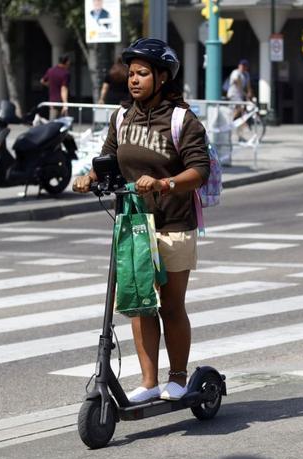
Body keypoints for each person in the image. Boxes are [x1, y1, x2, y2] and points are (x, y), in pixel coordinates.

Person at [72, 38, 210, 402]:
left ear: (162, 77)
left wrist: (166, 183)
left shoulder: (182, 120)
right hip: (134, 224)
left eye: (143, 74)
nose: (134, 80)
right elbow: (108, 160)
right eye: (131, 74)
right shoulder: (122, 116)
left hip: (173, 224)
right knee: (139, 301)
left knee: (170, 305)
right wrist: (91, 177)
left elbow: (199, 171)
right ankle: (148, 383)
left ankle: (177, 377)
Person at [226, 59, 253, 139]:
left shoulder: (246, 74)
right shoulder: (236, 73)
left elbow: (248, 85)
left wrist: (249, 93)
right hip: (233, 94)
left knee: (241, 112)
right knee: (241, 108)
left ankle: (240, 134)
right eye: (241, 65)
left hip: (240, 96)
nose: (243, 67)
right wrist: (244, 92)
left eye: (244, 66)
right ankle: (230, 121)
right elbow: (236, 81)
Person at [40, 55, 71, 120]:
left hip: (52, 100)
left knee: (53, 119)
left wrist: (50, 85)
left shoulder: (50, 70)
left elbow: (42, 81)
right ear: (67, 62)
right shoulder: (65, 73)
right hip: (61, 101)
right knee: (64, 121)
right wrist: (65, 104)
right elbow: (64, 88)